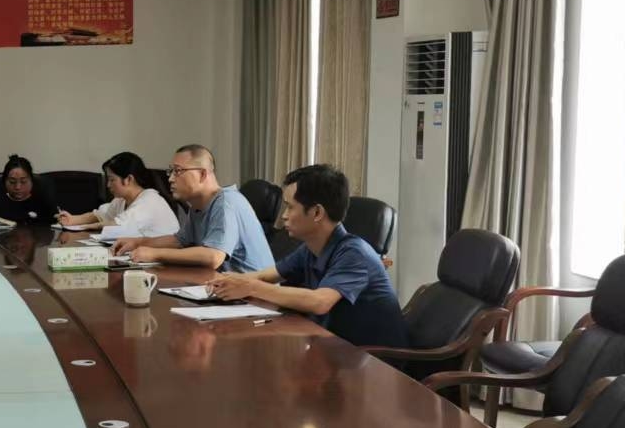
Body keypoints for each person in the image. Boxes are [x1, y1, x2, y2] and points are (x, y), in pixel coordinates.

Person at [208, 163, 408, 348]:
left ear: (317, 213)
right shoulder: (311, 248)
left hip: (377, 360)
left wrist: (250, 286)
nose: (284, 216)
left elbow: (319, 302)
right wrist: (226, 281)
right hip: (337, 349)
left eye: (290, 207)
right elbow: (264, 276)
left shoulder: (354, 253)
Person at [114, 145, 273, 272]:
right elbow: (179, 241)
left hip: (257, 296)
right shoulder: (198, 205)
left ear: (202, 174)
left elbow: (213, 256)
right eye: (171, 171)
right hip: (227, 288)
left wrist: (155, 254)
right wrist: (138, 242)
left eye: (178, 171)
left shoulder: (226, 202)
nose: (170, 179)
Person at [56, 150, 177, 237]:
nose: (108, 185)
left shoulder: (150, 200)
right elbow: (100, 215)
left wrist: (87, 227)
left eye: (112, 180)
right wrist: (73, 220)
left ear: (128, 179)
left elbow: (118, 226)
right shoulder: (121, 200)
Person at [0, 154, 58, 227]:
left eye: (23, 181)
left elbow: (54, 228)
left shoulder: (43, 201)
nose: (18, 187)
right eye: (12, 182)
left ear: (31, 181)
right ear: (4, 181)